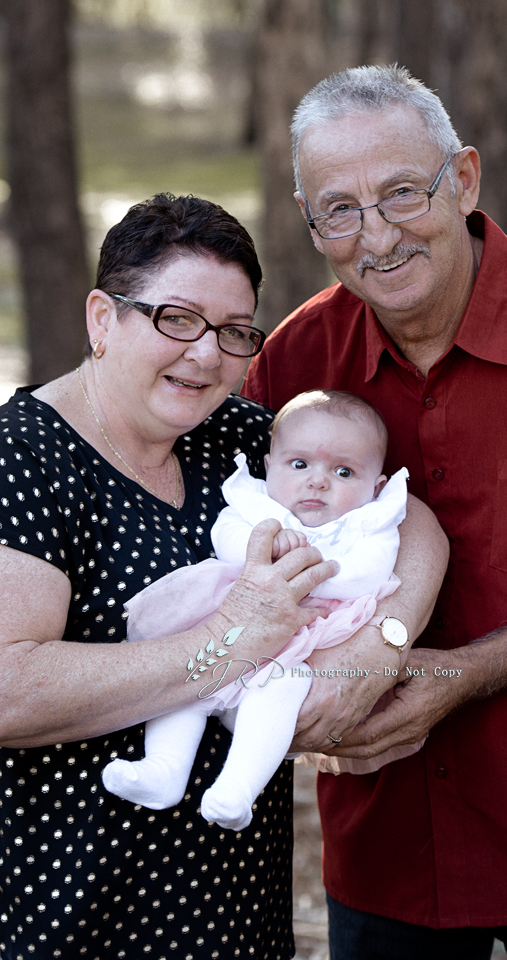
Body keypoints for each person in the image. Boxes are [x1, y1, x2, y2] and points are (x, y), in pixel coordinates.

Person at [244, 65, 507, 959]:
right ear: (309, 221)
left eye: (401, 193)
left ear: (462, 179)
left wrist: (460, 675)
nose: (376, 236)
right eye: (338, 211)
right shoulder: (295, 363)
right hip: (388, 852)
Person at [0, 191, 446, 960]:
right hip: (70, 912)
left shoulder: (237, 438)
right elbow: (10, 689)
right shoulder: (24, 458)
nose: (207, 355)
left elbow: (410, 521)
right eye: (176, 318)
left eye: (234, 331)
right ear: (102, 319)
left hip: (234, 910)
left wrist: (380, 642)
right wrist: (235, 636)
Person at [102, 390, 429, 831]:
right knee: (188, 677)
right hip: (232, 628)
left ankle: (238, 789)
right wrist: (264, 547)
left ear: (375, 486)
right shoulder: (256, 505)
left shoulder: (369, 522)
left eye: (344, 471)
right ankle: (164, 769)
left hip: (312, 637)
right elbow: (226, 536)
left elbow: (367, 573)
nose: (318, 482)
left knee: (282, 688)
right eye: (300, 465)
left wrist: (304, 568)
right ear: (270, 466)